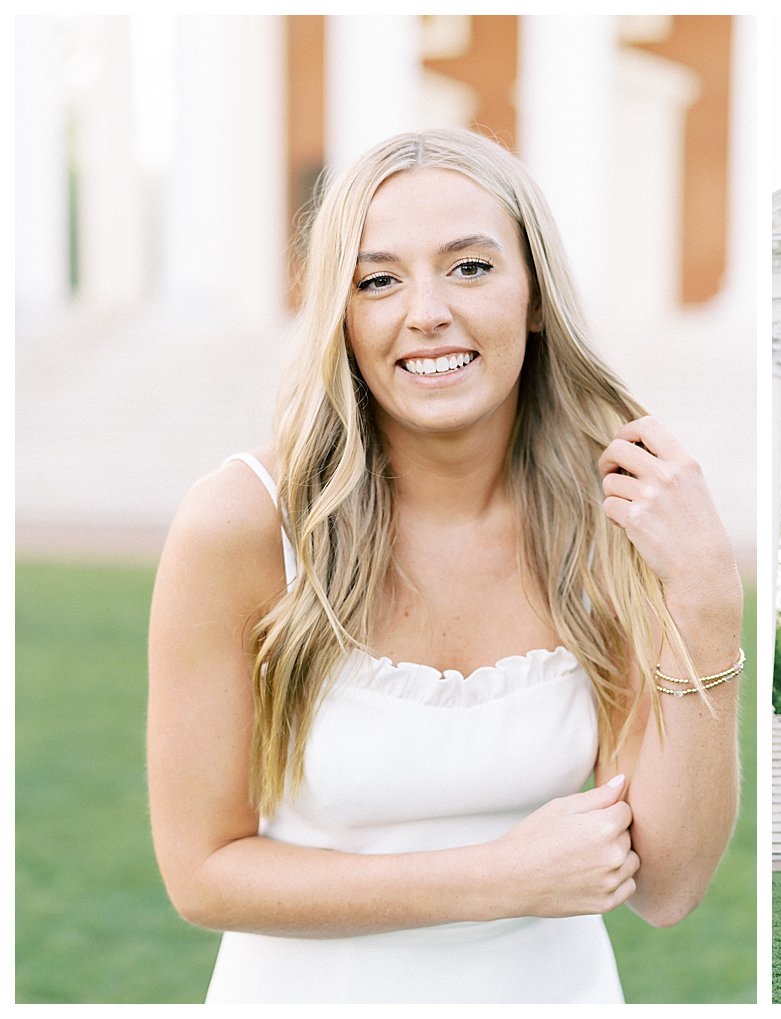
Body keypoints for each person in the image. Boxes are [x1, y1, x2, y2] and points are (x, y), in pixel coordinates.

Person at [146, 128, 743, 1004]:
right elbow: (202, 873)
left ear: (535, 294)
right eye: (378, 279)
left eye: (470, 267)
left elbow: (667, 885)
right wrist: (498, 877)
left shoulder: (612, 516)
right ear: (342, 315)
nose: (426, 311)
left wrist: (708, 601)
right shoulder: (241, 522)